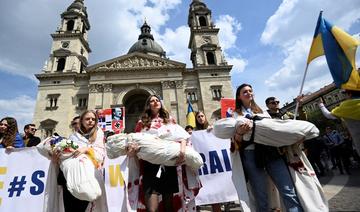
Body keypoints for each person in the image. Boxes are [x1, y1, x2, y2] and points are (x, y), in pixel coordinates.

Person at [232, 84, 303, 212]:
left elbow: (275, 130)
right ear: (239, 96)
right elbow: (236, 140)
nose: (248, 93)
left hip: (270, 151)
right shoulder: (235, 115)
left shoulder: (263, 112)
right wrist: (239, 133)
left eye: (250, 90)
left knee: (288, 189)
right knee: (261, 194)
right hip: (251, 154)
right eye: (245, 92)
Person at [128, 95, 200, 212]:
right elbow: (136, 140)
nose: (155, 102)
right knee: (152, 209)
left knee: (168, 206)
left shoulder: (170, 120)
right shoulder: (142, 123)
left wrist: (182, 152)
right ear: (148, 105)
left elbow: (182, 137)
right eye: (152, 101)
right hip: (149, 166)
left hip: (168, 166)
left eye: (157, 100)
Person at [47, 110, 107, 212]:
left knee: (86, 204)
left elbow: (100, 154)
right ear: (82, 121)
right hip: (71, 175)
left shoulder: (99, 134)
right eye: (87, 119)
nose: (90, 121)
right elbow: (66, 155)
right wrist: (56, 158)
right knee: (70, 207)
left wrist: (87, 149)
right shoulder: (73, 136)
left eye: (93, 119)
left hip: (90, 175)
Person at [318, 89, 360, 156]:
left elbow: (328, 115)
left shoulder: (347, 106)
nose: (345, 96)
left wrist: (321, 105)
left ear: (350, 94)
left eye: (345, 94)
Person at [195, 111, 222, 212]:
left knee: (215, 195)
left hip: (214, 164)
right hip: (203, 166)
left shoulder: (212, 128)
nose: (201, 118)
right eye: (198, 117)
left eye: (202, 116)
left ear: (205, 117)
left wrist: (213, 131)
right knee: (205, 192)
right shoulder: (195, 132)